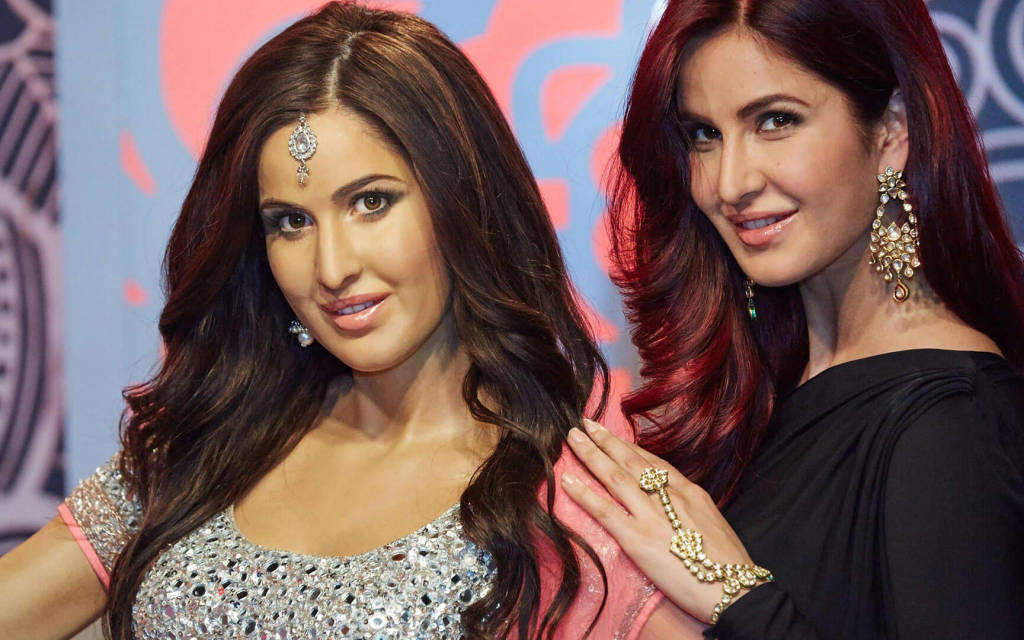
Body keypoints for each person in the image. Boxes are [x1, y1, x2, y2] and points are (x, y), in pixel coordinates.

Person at [0, 3, 705, 638]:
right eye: (290, 222)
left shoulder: (572, 483)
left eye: (371, 203)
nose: (331, 267)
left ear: (461, 201)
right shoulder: (200, 448)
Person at [558, 0, 1024, 638]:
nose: (729, 182)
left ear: (891, 130)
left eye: (775, 121)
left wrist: (733, 592)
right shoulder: (766, 396)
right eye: (704, 134)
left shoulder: (951, 424)